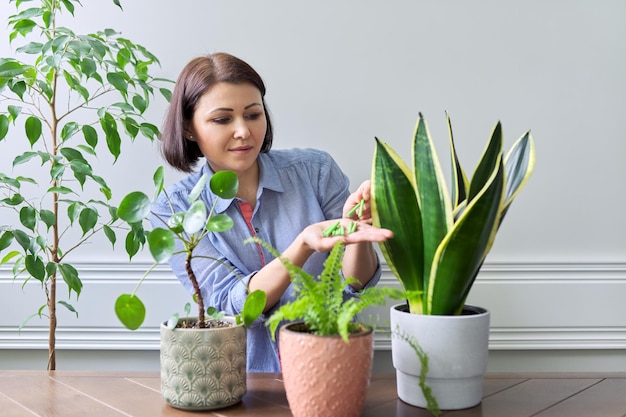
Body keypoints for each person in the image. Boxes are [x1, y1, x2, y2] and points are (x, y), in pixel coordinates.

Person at [151, 52, 392, 372]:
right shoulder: (175, 211)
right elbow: (236, 306)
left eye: (253, 114)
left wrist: (355, 230)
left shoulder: (315, 171)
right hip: (246, 381)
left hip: (333, 366)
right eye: (223, 119)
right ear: (188, 128)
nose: (243, 131)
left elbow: (357, 283)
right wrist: (302, 245)